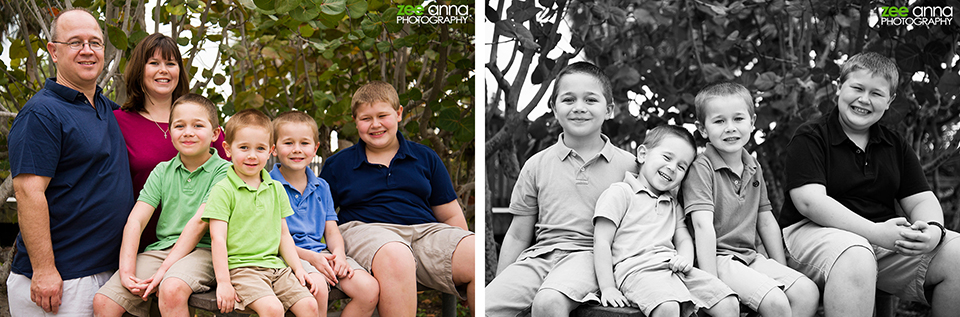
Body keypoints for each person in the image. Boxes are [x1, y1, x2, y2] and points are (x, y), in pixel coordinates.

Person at [780, 52, 960, 317]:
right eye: (857, 88)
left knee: (957, 253)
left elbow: (921, 199)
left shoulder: (894, 144)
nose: (864, 99)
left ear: (890, 101)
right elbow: (810, 202)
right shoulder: (811, 136)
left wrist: (933, 231)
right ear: (839, 88)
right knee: (856, 253)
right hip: (812, 234)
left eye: (876, 93)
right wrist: (874, 232)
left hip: (881, 240)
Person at [6, 8, 136, 316]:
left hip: (104, 273)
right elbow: (28, 193)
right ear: (53, 51)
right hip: (60, 280)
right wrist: (45, 270)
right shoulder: (42, 114)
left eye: (95, 42)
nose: (88, 51)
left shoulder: (107, 108)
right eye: (75, 42)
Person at [485, 62, 637, 316]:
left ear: (609, 110)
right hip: (541, 257)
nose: (579, 107)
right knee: (487, 306)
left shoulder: (630, 166)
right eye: (568, 99)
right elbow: (517, 235)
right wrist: (503, 280)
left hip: (591, 258)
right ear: (555, 110)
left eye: (590, 100)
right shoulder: (536, 165)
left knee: (548, 303)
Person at [319, 81, 475, 316]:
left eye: (383, 115)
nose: (375, 124)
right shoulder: (338, 165)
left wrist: (461, 250)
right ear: (355, 121)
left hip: (424, 233)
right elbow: (321, 217)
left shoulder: (425, 157)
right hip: (367, 232)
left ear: (399, 113)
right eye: (366, 118)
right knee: (396, 253)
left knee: (474, 251)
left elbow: (451, 214)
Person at [681, 83, 819, 316]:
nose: (730, 128)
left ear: (752, 122)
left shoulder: (753, 167)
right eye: (719, 121)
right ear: (702, 129)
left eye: (738, 119)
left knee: (807, 292)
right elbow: (702, 226)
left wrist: (779, 267)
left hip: (749, 256)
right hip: (718, 258)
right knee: (776, 302)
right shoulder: (701, 168)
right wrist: (711, 284)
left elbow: (765, 221)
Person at [92, 94, 231, 317]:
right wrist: (127, 272)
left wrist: (164, 270)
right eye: (179, 125)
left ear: (215, 133)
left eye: (198, 125)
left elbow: (198, 224)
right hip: (162, 249)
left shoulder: (225, 172)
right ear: (170, 132)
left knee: (171, 289)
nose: (188, 132)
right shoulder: (162, 171)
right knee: (104, 301)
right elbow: (136, 220)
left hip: (205, 251)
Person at [593, 125, 739, 317]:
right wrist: (607, 288)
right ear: (643, 154)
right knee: (667, 307)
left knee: (728, 303)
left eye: (681, 166)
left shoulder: (672, 202)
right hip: (637, 271)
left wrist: (685, 259)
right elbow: (601, 241)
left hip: (673, 269)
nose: (672, 168)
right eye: (667, 157)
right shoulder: (620, 193)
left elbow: (683, 238)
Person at [114, 32, 227, 250]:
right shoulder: (119, 122)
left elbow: (232, 181)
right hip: (142, 245)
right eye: (154, 63)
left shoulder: (202, 122)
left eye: (171, 63)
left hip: (201, 246)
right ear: (140, 69)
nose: (163, 70)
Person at [203, 109, 319, 316]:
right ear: (228, 149)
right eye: (244, 147)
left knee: (309, 305)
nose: (252, 155)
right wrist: (223, 282)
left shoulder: (276, 189)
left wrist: (298, 267)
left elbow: (284, 235)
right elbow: (217, 238)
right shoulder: (223, 190)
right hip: (242, 269)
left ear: (270, 150)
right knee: (273, 309)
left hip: (276, 267)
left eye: (260, 148)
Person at [269, 111, 380, 316]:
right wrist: (310, 258)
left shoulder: (322, 186)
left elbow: (331, 231)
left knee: (369, 289)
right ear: (274, 149)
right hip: (285, 256)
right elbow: (272, 239)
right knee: (317, 287)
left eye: (304, 143)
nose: (297, 150)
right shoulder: (267, 186)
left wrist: (339, 255)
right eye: (288, 143)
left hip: (321, 254)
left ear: (315, 148)